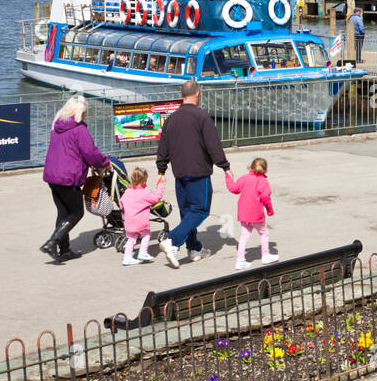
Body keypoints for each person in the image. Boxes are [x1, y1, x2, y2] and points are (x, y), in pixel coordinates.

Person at [156, 80, 232, 268]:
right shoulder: (202, 117)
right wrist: (225, 166)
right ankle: (172, 241)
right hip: (198, 172)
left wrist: (161, 169)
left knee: (187, 212)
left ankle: (194, 248)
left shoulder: (171, 119)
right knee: (200, 210)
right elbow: (213, 145)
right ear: (197, 93)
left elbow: (163, 146)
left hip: (179, 172)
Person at [39, 94, 110, 262]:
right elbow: (90, 153)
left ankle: (64, 250)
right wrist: (105, 162)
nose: (86, 115)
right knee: (76, 212)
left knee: (63, 212)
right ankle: (52, 242)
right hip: (67, 177)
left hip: (52, 175)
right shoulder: (79, 130)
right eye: (85, 112)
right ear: (80, 112)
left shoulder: (57, 126)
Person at [226, 157, 278, 269]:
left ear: (251, 166)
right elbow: (265, 197)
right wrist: (270, 210)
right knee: (263, 233)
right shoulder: (263, 181)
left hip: (244, 214)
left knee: (244, 236)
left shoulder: (244, 178)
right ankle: (266, 255)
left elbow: (233, 188)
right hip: (256, 214)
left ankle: (240, 260)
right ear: (265, 169)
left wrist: (228, 177)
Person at [119, 168, 166, 266]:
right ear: (144, 180)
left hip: (128, 220)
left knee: (131, 239)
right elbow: (156, 199)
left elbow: (121, 203)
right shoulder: (145, 192)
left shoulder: (127, 191)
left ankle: (127, 257)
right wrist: (160, 186)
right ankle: (143, 252)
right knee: (146, 235)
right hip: (140, 221)